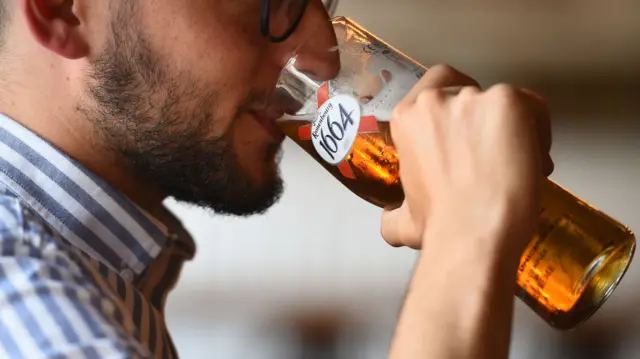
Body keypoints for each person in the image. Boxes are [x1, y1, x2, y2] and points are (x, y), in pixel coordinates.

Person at [0, 0, 552, 358]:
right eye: (267, 4)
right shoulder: (23, 301)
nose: (325, 57)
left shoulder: (101, 271)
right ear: (59, 12)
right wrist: (466, 240)